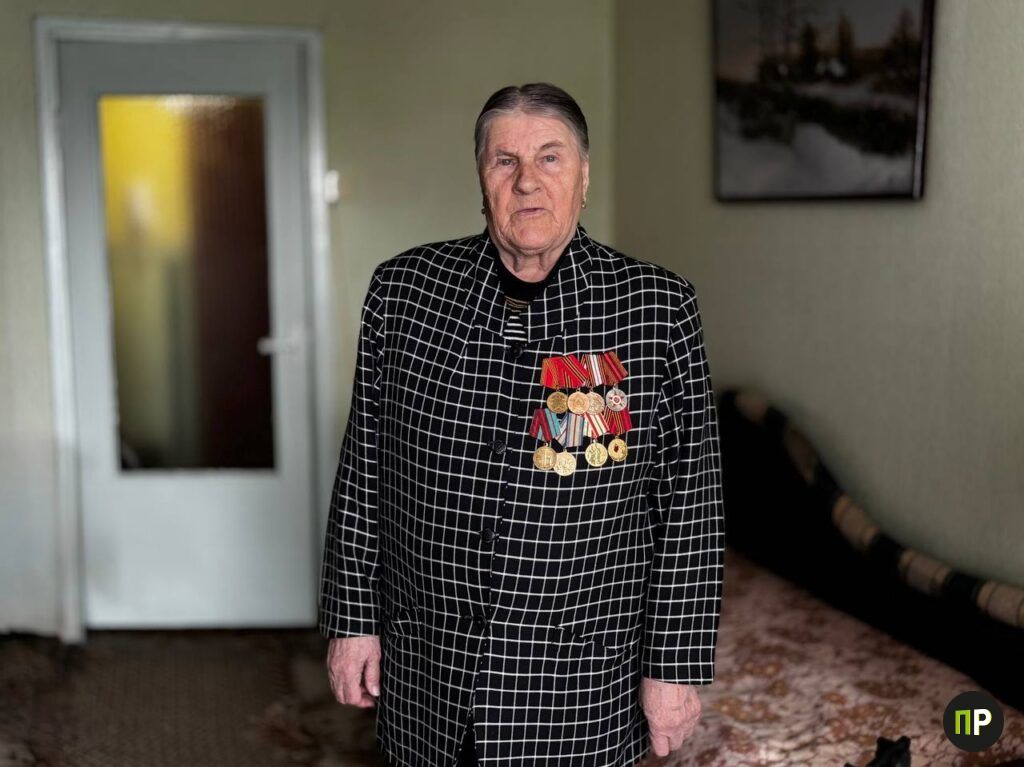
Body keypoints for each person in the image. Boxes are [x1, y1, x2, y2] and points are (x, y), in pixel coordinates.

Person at [320, 82, 725, 767]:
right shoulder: (403, 292)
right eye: (505, 160)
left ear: (584, 176)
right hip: (430, 668)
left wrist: (674, 667)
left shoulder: (656, 306)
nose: (527, 181)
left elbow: (690, 502)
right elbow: (365, 469)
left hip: (580, 680)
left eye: (550, 157)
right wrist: (352, 621)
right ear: (481, 178)